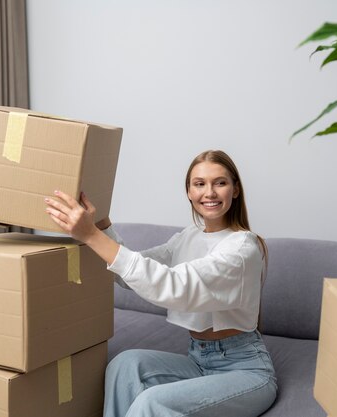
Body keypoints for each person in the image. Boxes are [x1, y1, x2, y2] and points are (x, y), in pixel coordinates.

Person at [44, 149, 277, 417]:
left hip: (245, 370)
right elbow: (131, 274)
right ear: (189, 192)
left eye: (220, 183)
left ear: (235, 190)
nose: (209, 193)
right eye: (199, 184)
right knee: (125, 364)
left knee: (152, 402)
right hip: (198, 359)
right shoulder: (188, 237)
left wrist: (92, 235)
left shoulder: (242, 247)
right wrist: (102, 224)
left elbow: (176, 286)